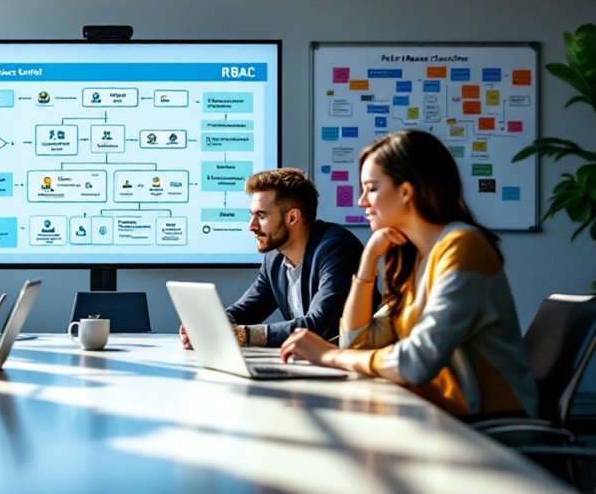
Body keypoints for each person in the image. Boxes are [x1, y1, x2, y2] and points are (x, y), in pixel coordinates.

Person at [280, 130, 538, 419]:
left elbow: (417, 362)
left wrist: (329, 356)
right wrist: (368, 262)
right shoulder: (414, 256)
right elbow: (356, 342)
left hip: (488, 424)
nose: (361, 201)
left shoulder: (464, 247)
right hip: (440, 413)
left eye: (371, 188)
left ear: (406, 192)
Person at [179, 168, 372, 348]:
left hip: (350, 366)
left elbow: (317, 326)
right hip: (307, 365)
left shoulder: (337, 248)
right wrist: (209, 324)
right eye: (252, 215)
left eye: (261, 216)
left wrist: (241, 335)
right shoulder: (275, 259)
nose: (251, 226)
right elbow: (248, 309)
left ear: (292, 217)